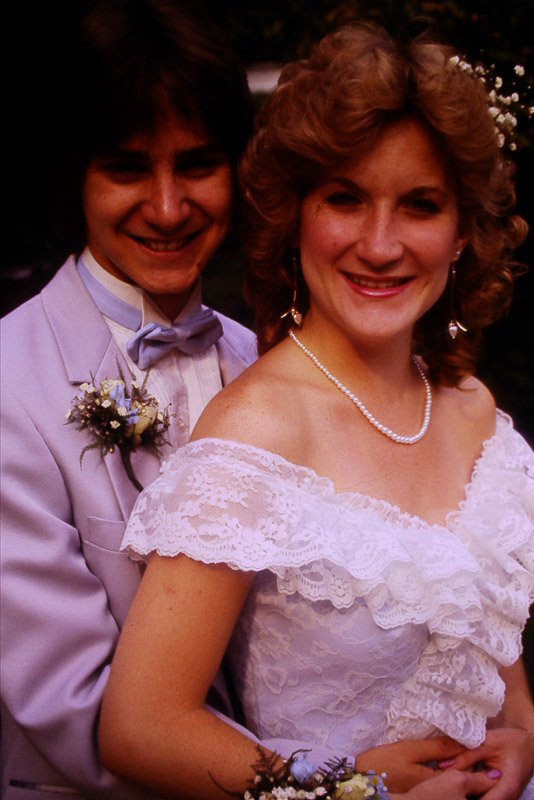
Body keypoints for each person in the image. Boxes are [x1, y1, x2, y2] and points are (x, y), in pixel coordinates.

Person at [98, 22, 534, 800]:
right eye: (345, 199)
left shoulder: (473, 411)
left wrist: (522, 741)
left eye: (420, 205)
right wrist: (351, 787)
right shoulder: (257, 432)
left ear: (462, 231)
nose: (380, 244)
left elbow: (495, 660)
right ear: (294, 216)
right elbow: (142, 727)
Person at [0, 0, 258, 797]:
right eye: (127, 168)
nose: (169, 206)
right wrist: (328, 779)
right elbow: (74, 709)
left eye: (198, 165)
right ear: (75, 174)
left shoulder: (268, 364)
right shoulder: (9, 382)